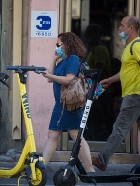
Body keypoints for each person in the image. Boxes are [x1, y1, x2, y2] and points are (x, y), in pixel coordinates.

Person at [92, 15, 140, 173]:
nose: (119, 29)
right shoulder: (129, 47)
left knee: (120, 127)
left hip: (137, 94)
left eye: (122, 26)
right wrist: (109, 80)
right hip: (135, 93)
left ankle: (102, 159)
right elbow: (125, 72)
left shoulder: (137, 46)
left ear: (131, 29)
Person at [41, 32, 95, 172]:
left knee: (76, 136)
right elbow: (49, 79)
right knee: (53, 135)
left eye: (59, 44)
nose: (57, 47)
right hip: (60, 105)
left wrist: (50, 75)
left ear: (68, 45)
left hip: (70, 105)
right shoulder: (63, 60)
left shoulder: (72, 59)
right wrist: (53, 59)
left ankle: (89, 169)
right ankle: (41, 167)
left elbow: (69, 79)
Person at [84, 24, 116, 140]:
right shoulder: (93, 49)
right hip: (96, 90)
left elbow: (99, 70)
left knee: (107, 118)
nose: (87, 36)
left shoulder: (99, 49)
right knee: (96, 118)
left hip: (102, 90)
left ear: (96, 35)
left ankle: (112, 141)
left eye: (89, 34)